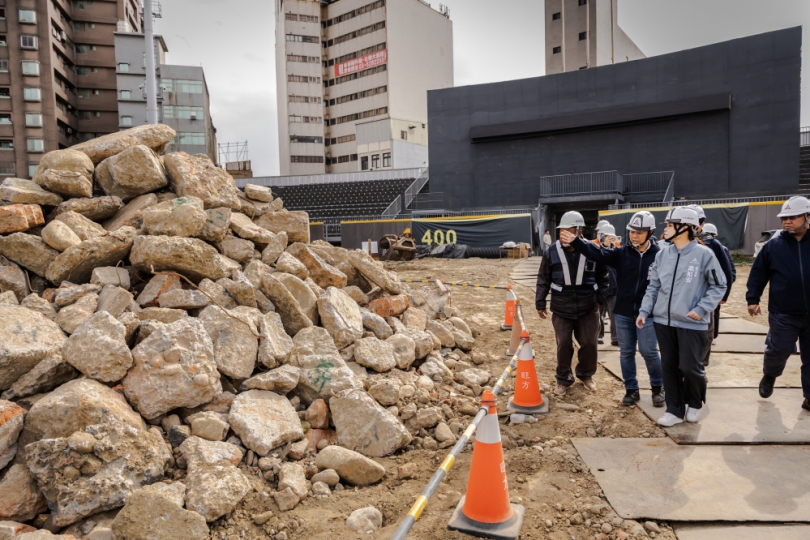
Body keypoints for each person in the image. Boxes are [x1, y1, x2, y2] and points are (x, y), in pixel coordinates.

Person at [563, 211, 665, 407]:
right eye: (632, 232)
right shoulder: (622, 253)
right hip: (624, 312)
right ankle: (631, 389)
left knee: (649, 352)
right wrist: (577, 242)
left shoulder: (660, 255)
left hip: (648, 314)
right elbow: (598, 253)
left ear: (650, 232)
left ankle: (657, 387)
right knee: (626, 352)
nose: (634, 236)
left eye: (639, 232)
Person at [636, 207, 727, 426]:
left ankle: (695, 403)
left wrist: (702, 308)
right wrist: (644, 311)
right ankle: (674, 410)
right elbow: (653, 286)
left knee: (690, 367)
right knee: (669, 366)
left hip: (692, 322)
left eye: (669, 225)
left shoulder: (704, 255)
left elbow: (719, 286)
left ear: (685, 227)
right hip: (663, 321)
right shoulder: (662, 255)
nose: (665, 229)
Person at [746, 196, 810, 412]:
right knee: (779, 349)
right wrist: (752, 299)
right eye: (784, 218)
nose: (787, 221)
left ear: (807, 217)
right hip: (783, 312)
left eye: (793, 217)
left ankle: (809, 397)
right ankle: (770, 374)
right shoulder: (773, 246)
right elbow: (758, 274)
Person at [536, 211, 609, 396]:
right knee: (564, 344)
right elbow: (543, 278)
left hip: (588, 307)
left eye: (568, 230)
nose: (564, 234)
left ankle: (586, 375)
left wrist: (599, 300)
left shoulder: (592, 250)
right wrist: (540, 302)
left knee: (589, 343)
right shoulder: (551, 252)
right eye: (562, 230)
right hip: (562, 307)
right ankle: (563, 379)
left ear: (579, 231)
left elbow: (604, 277)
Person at [687, 205, 734, 366]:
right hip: (683, 297)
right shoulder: (676, 245)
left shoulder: (712, 245)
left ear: (702, 224)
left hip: (705, 296)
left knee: (706, 330)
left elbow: (726, 271)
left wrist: (723, 295)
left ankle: (701, 364)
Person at [700, 223, 736, 339]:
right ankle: (711, 336)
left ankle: (711, 336)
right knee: (713, 313)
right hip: (714, 287)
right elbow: (731, 271)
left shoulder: (719, 248)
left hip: (713, 287)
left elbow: (729, 271)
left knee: (712, 313)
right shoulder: (720, 247)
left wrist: (722, 289)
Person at [595, 223, 618, 346]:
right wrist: (604, 246)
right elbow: (599, 257)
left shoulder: (617, 251)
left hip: (613, 288)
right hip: (599, 289)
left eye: (611, 237)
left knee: (614, 315)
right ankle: (599, 335)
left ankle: (615, 337)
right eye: (606, 237)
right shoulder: (597, 250)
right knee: (598, 314)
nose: (609, 239)